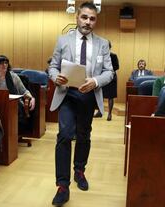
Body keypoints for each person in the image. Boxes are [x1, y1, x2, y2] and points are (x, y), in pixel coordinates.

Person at [47, 2, 113, 206]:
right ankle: (62, 185)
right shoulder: (62, 40)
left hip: (88, 96)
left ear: (96, 21)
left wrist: (95, 81)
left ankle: (79, 170)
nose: (88, 22)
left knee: (84, 136)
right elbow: (52, 66)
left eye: (92, 19)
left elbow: (109, 73)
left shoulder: (103, 44)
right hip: (67, 94)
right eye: (84, 17)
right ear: (77, 17)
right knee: (65, 136)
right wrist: (55, 76)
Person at [0, 55, 36, 128]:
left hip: (14, 104)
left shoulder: (14, 77)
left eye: (6, 63)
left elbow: (24, 91)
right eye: (1, 63)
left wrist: (32, 98)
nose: (4, 65)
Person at [93, 41, 119, 121]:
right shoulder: (99, 56)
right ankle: (100, 112)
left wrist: (107, 71)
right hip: (101, 77)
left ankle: (109, 114)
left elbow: (117, 66)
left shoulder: (113, 56)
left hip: (111, 77)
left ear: (109, 47)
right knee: (99, 95)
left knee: (110, 96)